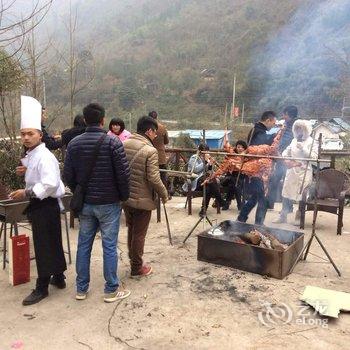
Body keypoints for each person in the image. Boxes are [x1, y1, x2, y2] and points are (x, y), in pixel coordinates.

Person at [64, 103, 131, 303]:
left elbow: (67, 175)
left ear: (85, 120)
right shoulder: (112, 143)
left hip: (85, 203)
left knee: (84, 244)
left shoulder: (74, 144)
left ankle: (81, 289)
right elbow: (123, 175)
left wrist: (79, 190)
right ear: (103, 120)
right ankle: (111, 289)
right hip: (109, 203)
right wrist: (123, 196)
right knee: (109, 246)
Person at [10, 96, 67, 306]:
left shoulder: (44, 156)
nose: (26, 137)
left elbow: (50, 183)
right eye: (23, 134)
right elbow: (39, 174)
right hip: (43, 204)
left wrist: (25, 193)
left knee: (43, 245)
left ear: (40, 135)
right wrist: (26, 170)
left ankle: (42, 287)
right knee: (52, 241)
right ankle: (59, 277)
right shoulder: (34, 154)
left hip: (45, 204)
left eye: (30, 134)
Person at [123, 116, 168, 277]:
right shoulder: (150, 151)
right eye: (155, 133)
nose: (155, 136)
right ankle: (136, 267)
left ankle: (133, 258)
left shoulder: (123, 144)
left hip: (126, 198)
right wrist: (164, 194)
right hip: (143, 200)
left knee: (132, 229)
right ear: (149, 131)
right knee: (139, 234)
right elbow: (154, 178)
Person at [273, 120, 317, 224]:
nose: (299, 131)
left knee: (302, 194)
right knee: (286, 192)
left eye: (301, 128)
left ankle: (299, 216)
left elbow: (314, 157)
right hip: (292, 169)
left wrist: (303, 149)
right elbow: (287, 151)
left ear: (306, 130)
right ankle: (283, 216)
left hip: (304, 170)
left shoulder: (312, 142)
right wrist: (285, 157)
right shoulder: (293, 140)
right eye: (297, 128)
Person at [237, 111, 277, 225]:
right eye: (273, 123)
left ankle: (241, 218)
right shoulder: (258, 131)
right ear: (268, 120)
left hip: (257, 170)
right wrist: (276, 136)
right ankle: (259, 224)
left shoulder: (257, 129)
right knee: (263, 198)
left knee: (255, 197)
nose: (273, 125)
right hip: (257, 170)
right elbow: (262, 147)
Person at [267, 105, 299, 209]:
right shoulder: (285, 124)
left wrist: (278, 147)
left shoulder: (296, 125)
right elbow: (281, 137)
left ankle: (288, 207)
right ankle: (270, 203)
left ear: (290, 115)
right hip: (281, 156)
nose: (283, 116)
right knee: (275, 179)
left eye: (284, 114)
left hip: (289, 158)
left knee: (287, 182)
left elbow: (288, 140)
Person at [183, 143, 223, 217]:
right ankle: (220, 201)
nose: (207, 153)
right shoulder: (194, 157)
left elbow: (210, 172)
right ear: (200, 151)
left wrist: (210, 164)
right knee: (209, 181)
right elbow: (195, 170)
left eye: (208, 151)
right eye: (205, 152)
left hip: (205, 182)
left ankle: (203, 210)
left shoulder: (208, 159)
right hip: (195, 181)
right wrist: (205, 162)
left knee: (208, 185)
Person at [221, 140, 247, 211]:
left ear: (244, 148)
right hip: (230, 177)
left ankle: (227, 203)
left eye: (242, 147)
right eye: (238, 147)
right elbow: (226, 166)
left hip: (241, 177)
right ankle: (239, 204)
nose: (240, 149)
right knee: (234, 182)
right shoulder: (232, 155)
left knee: (233, 184)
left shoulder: (246, 156)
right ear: (236, 147)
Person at [148, 111, 169, 185]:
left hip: (148, 156)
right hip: (161, 157)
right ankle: (165, 195)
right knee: (163, 177)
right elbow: (166, 141)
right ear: (157, 117)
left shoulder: (146, 128)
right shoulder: (162, 127)